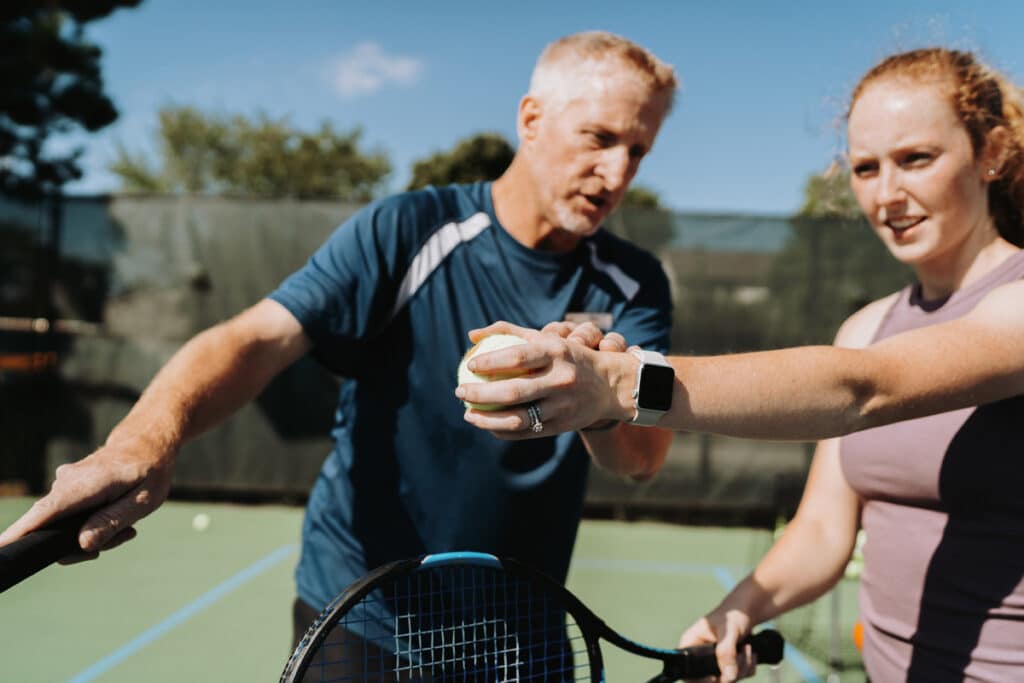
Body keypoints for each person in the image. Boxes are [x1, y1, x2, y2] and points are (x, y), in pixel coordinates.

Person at [0, 30, 678, 655]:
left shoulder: (634, 284)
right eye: (599, 137)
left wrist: (597, 393)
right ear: (531, 119)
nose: (617, 173)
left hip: (521, 634)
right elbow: (256, 336)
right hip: (362, 614)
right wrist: (141, 441)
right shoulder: (407, 229)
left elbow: (644, 458)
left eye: (638, 151)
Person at [457, 47, 1024, 681]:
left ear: (992, 151)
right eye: (866, 168)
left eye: (916, 159)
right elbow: (821, 532)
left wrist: (619, 383)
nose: (888, 193)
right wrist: (739, 609)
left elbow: (865, 388)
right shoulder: (866, 327)